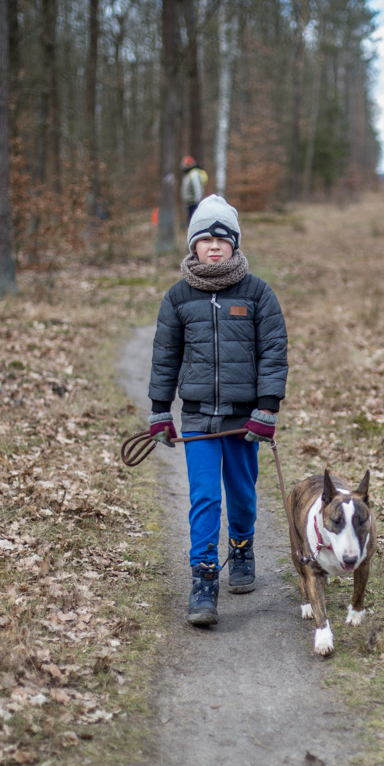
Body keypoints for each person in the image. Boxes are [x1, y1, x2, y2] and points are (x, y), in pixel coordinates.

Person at [145, 194, 288, 626]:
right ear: (192, 246)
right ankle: (203, 578)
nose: (213, 246)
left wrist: (267, 409)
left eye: (221, 239)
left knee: (243, 496)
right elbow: (165, 356)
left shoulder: (258, 293)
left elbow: (274, 352)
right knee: (204, 497)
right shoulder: (177, 298)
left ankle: (242, 548)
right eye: (204, 239)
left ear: (234, 245)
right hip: (198, 418)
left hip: (244, 420)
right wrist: (158, 410)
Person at [179, 156, 209, 223]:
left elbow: (197, 189)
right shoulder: (189, 174)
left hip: (194, 204)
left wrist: (198, 204)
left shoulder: (194, 173)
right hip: (190, 204)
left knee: (194, 223)